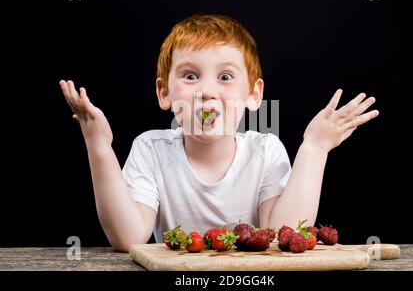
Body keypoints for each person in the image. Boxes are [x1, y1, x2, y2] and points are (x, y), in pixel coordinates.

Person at [59, 14, 379, 252]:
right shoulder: (151, 150)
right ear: (164, 92)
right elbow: (127, 238)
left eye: (225, 76)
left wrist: (315, 147)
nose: (207, 91)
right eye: (190, 76)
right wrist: (98, 146)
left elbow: (282, 233)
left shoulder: (266, 151)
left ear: (254, 95)